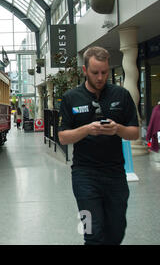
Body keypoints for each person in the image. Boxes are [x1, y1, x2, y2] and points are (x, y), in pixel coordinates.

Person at [58, 46, 139, 245]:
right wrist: (87, 129)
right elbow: (62, 137)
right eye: (95, 73)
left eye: (104, 72)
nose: (101, 77)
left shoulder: (121, 95)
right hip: (84, 176)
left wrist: (117, 129)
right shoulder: (71, 98)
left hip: (115, 175)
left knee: (116, 231)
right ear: (85, 71)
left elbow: (135, 133)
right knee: (92, 234)